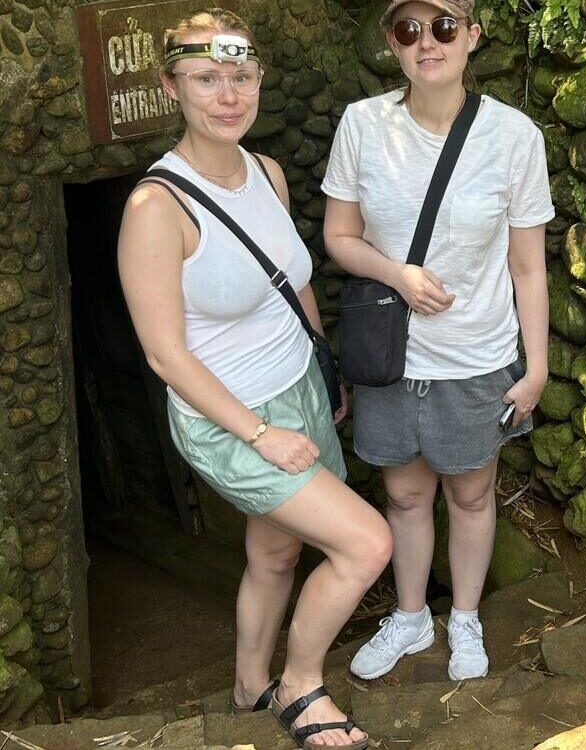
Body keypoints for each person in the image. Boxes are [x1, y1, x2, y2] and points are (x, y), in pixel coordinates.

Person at [117, 9, 391, 749]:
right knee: (367, 544)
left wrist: (323, 365)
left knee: (275, 550)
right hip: (232, 417)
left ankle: (247, 683)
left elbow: (293, 281)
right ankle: (302, 685)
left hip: (298, 383)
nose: (228, 95)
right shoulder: (154, 208)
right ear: (172, 86)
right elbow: (166, 357)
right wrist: (262, 434)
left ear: (259, 79)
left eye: (240, 77)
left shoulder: (267, 174)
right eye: (207, 78)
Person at [322, 0, 553, 682]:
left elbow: (528, 266)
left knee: (473, 497)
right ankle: (412, 614)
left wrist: (534, 367)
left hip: (476, 357)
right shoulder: (363, 125)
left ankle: (468, 617)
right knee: (404, 497)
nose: (428, 42)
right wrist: (397, 273)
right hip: (393, 358)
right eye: (409, 29)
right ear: (393, 43)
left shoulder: (514, 138)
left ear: (472, 37)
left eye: (445, 26)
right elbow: (339, 237)